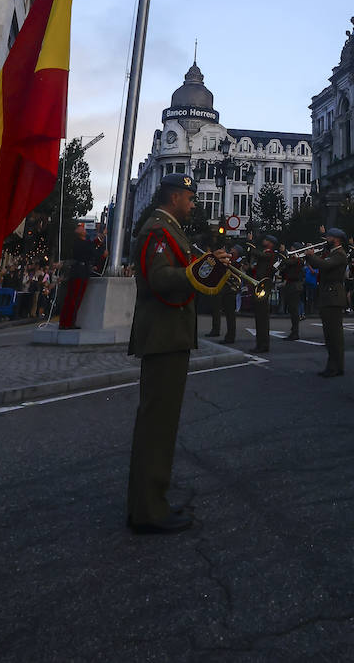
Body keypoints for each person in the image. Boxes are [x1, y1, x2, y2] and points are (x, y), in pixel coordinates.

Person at [127, 172, 229, 534]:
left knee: (160, 424)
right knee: (158, 425)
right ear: (174, 198)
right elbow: (161, 279)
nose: (193, 203)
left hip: (170, 333)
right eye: (189, 197)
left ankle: (148, 502)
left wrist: (208, 267)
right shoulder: (158, 231)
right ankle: (148, 509)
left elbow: (180, 275)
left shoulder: (167, 228)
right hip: (164, 334)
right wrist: (200, 267)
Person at [313, 228, 348, 377]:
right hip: (328, 295)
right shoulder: (332, 253)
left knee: (334, 335)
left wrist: (310, 256)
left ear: (337, 239)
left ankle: (336, 367)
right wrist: (310, 257)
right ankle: (332, 365)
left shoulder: (339, 254)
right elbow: (320, 264)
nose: (327, 239)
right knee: (329, 335)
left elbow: (324, 265)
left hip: (334, 295)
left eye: (329, 237)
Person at [59, 222, 95, 330]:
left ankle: (69, 322)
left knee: (76, 298)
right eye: (81, 228)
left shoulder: (84, 242)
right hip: (78, 273)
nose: (84, 229)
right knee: (73, 298)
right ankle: (67, 322)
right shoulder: (78, 243)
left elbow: (91, 248)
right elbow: (89, 250)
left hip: (82, 272)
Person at [250, 235, 276, 354]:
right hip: (260, 286)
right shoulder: (265, 253)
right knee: (259, 318)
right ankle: (260, 344)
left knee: (262, 318)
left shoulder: (270, 254)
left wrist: (251, 243)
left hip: (264, 287)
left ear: (270, 243)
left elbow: (258, 254)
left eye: (266, 240)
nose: (263, 241)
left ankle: (263, 344)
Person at [278, 248, 303, 339]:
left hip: (295, 286)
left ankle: (295, 332)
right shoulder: (292, 262)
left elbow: (291, 263)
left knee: (294, 310)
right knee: (292, 310)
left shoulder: (299, 261)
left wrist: (286, 258)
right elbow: (282, 271)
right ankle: (293, 331)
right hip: (290, 286)